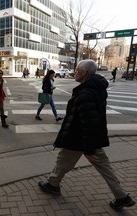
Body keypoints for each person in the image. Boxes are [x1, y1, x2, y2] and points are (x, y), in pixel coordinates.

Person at [38, 59, 136, 210]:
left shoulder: (85, 93)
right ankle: (53, 184)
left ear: (85, 73)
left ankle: (121, 196)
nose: (75, 72)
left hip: (81, 138)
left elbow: (90, 122)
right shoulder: (96, 88)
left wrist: (89, 149)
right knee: (69, 161)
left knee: (70, 161)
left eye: (77, 70)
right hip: (84, 137)